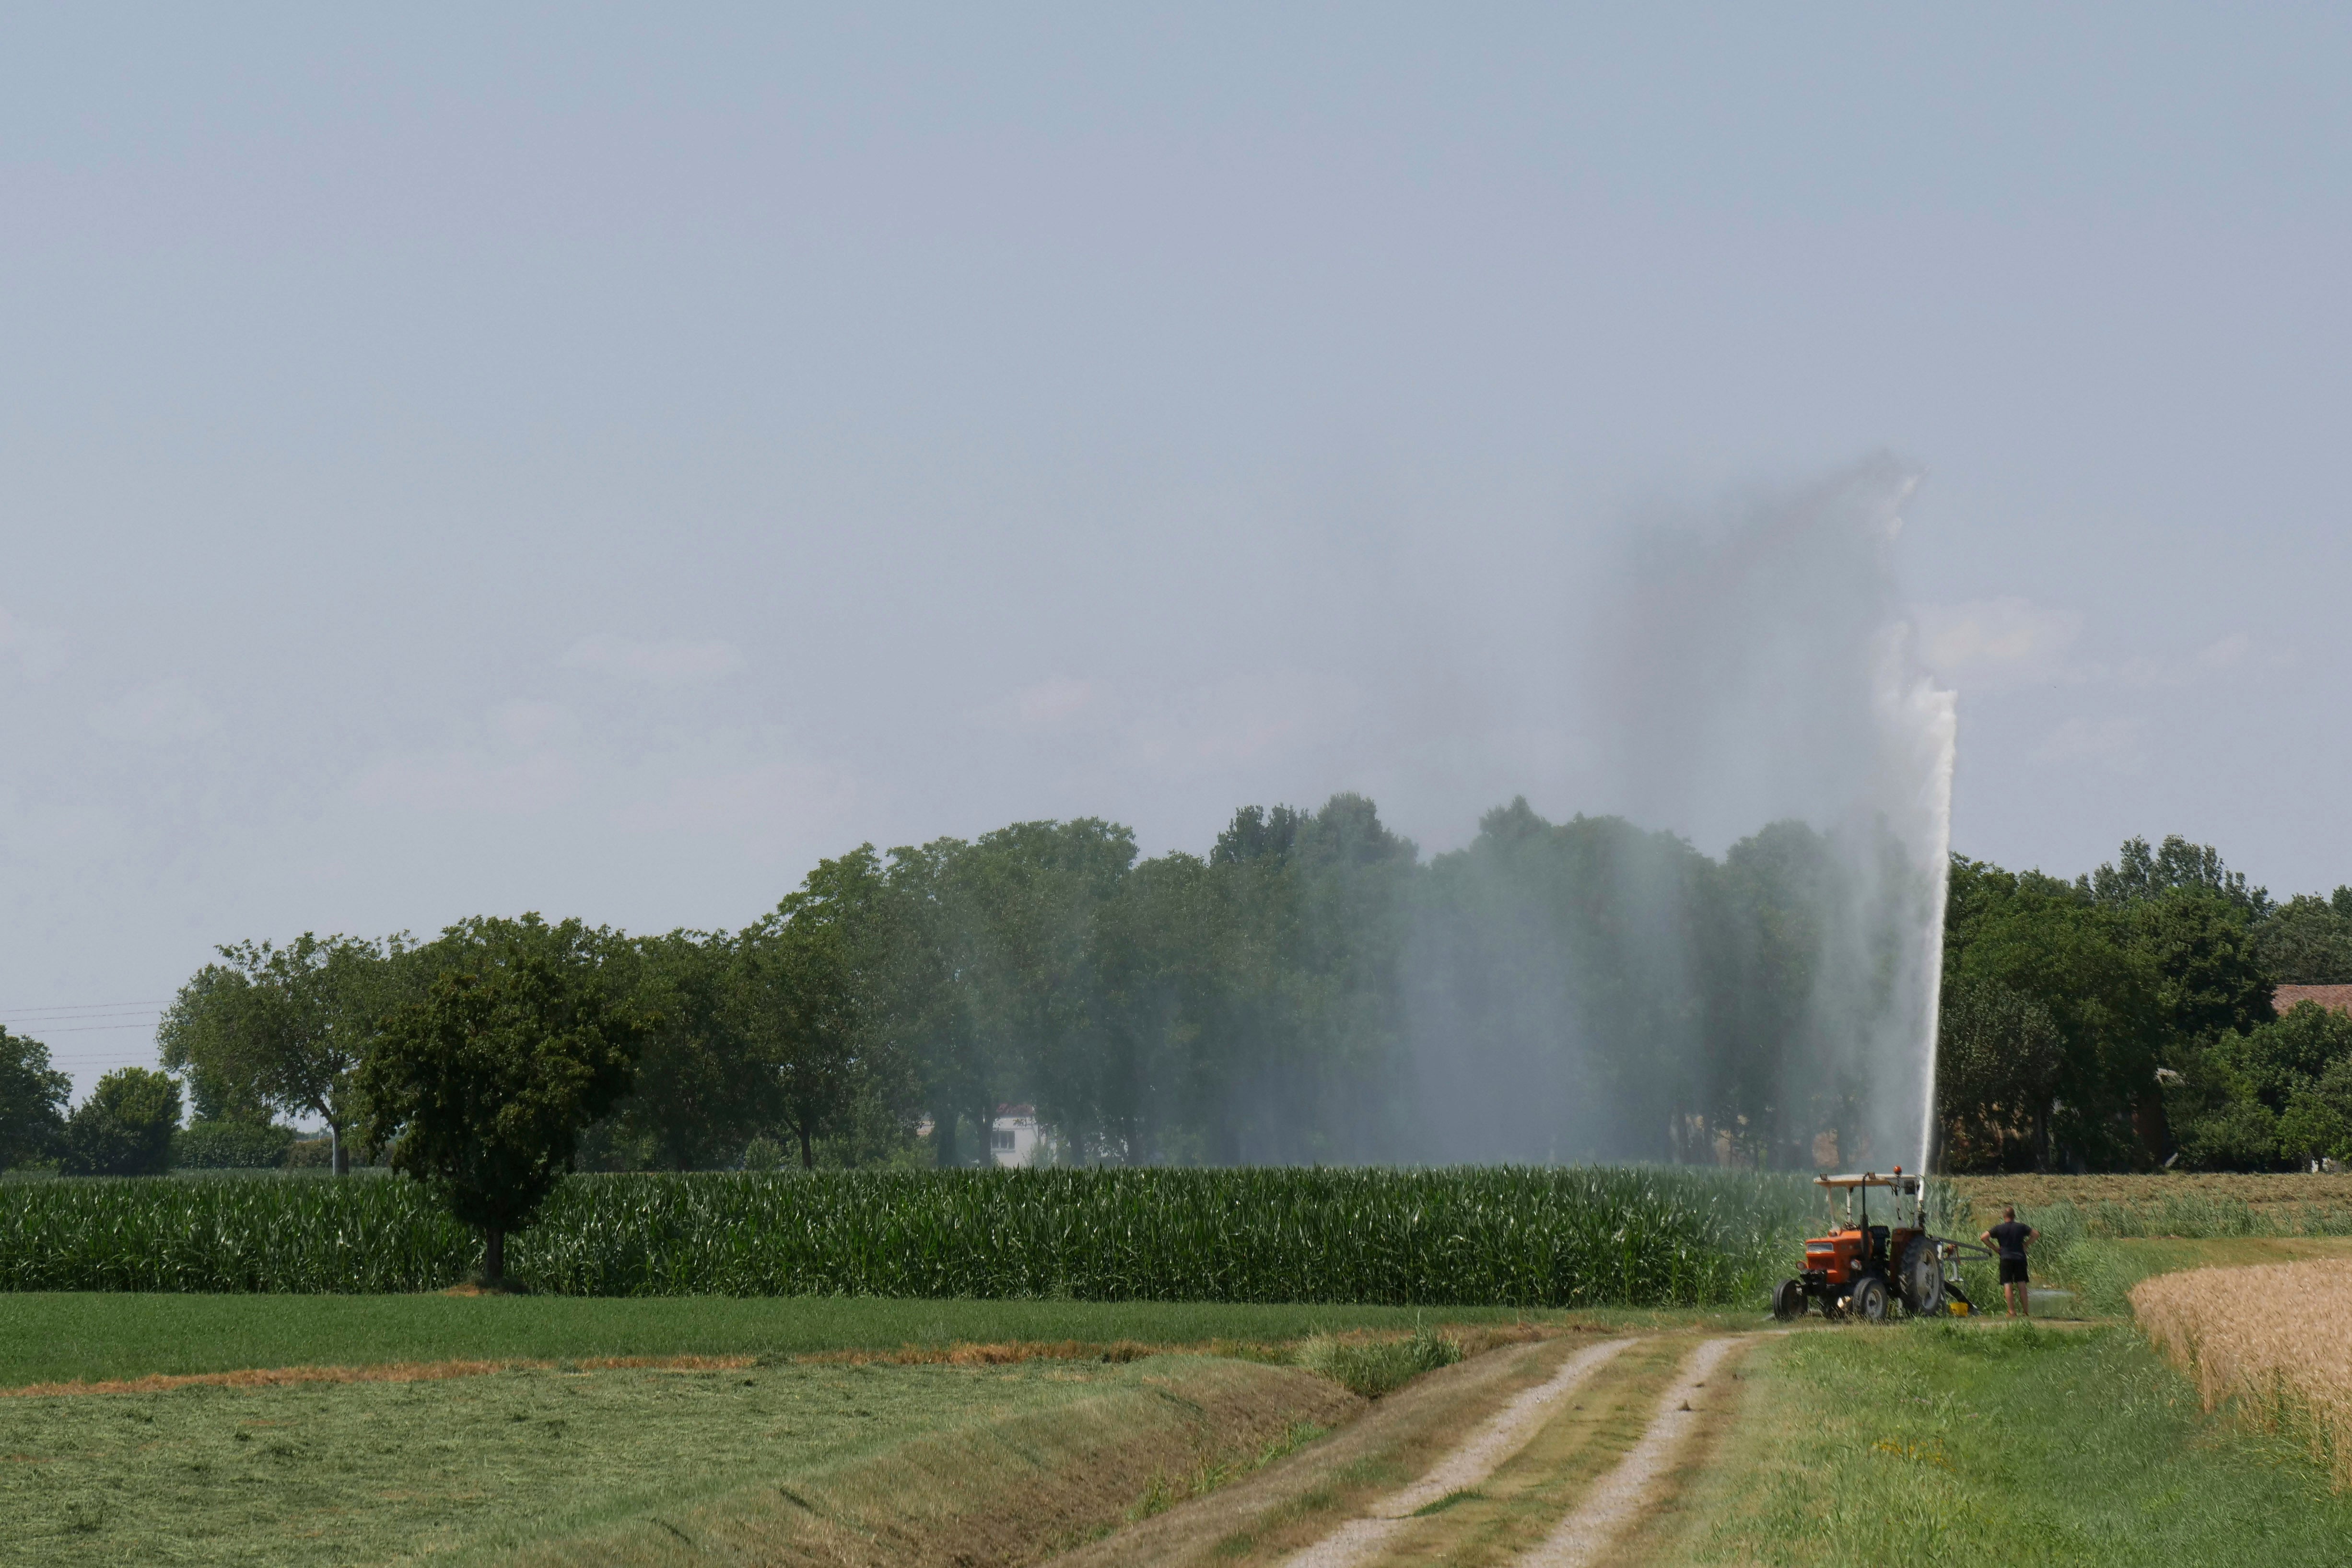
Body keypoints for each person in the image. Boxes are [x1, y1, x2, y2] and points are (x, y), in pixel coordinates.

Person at [1979, 1205, 2038, 1318]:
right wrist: (2026, 1244)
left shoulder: (1999, 1228)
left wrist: (1995, 1248)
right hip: (2020, 1258)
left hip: (2006, 1258)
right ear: (2014, 1216)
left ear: (2004, 1216)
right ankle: (2026, 1312)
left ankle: (2012, 1312)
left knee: (2007, 1284)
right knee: (2022, 1284)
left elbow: (1983, 1237)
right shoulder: (2021, 1227)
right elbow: (2036, 1234)